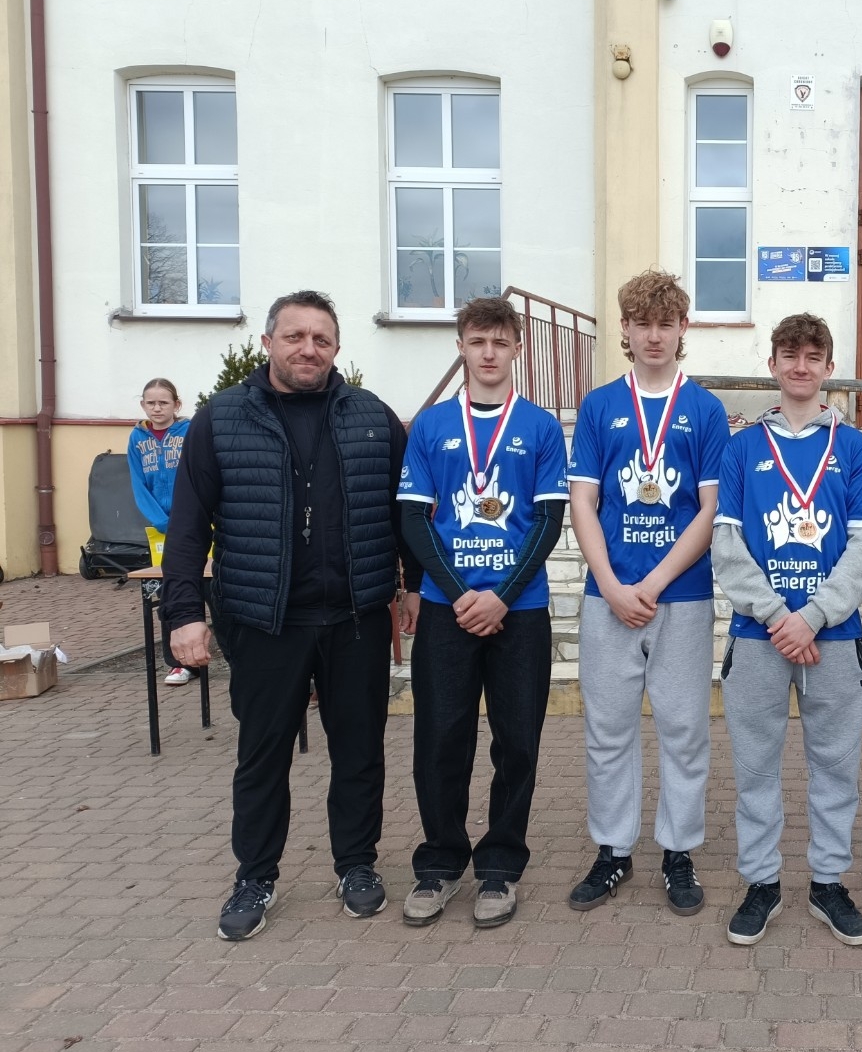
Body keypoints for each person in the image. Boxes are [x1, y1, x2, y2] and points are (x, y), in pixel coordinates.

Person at [164, 290, 419, 941]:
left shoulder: (371, 418)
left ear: (336, 349)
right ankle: (256, 875)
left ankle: (355, 864)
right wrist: (184, 612)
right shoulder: (221, 420)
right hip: (263, 620)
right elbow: (188, 526)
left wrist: (413, 585)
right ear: (267, 342)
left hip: (356, 617)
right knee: (263, 753)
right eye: (295, 336)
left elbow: (407, 513)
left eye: (321, 339)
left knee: (359, 751)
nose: (309, 349)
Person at [395, 295, 569, 928]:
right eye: (477, 341)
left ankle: (500, 865)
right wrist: (458, 591)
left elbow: (548, 521)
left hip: (520, 610)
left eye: (500, 342)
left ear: (517, 348)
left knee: (517, 742)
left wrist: (501, 595)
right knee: (440, 739)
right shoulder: (432, 426)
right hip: (449, 608)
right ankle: (440, 862)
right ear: (462, 348)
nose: (489, 353)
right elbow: (414, 518)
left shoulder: (541, 428)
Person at [565, 271, 729, 915]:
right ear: (625, 329)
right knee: (607, 728)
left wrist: (654, 582)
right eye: (642, 323)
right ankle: (613, 850)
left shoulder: (705, 409)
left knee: (684, 728)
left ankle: (679, 851)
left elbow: (711, 509)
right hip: (608, 594)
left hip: (681, 595)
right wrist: (610, 584)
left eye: (666, 323)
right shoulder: (600, 405)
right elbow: (584, 500)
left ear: (682, 328)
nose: (654, 335)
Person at [711, 313, 862, 946]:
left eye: (813, 356)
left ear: (829, 367)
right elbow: (727, 547)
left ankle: (828, 882)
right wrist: (779, 615)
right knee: (755, 768)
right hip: (759, 637)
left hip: (832, 636)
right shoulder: (743, 447)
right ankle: (762, 882)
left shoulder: (853, 447)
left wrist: (811, 616)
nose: (801, 366)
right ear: (773, 364)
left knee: (835, 768)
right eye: (790, 355)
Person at [127, 377, 193, 686]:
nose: (157, 408)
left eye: (163, 402)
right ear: (143, 405)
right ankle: (179, 663)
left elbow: (200, 476)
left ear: (176, 405)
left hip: (194, 523)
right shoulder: (136, 438)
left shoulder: (190, 432)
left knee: (210, 590)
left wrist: (190, 517)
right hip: (162, 530)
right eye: (151, 403)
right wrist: (162, 521)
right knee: (170, 593)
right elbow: (138, 484)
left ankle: (231, 655)